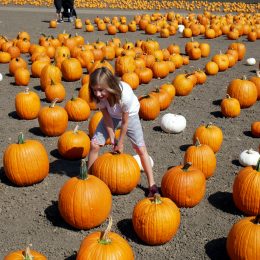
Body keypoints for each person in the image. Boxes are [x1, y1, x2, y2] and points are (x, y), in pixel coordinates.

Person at [87, 67, 159, 197]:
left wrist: (120, 142)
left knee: (140, 149)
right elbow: (107, 118)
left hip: (130, 117)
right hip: (112, 116)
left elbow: (125, 122)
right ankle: (89, 180)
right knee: (94, 144)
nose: (97, 94)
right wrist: (112, 137)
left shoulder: (124, 94)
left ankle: (152, 185)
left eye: (101, 90)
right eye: (95, 90)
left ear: (110, 85)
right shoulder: (98, 98)